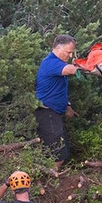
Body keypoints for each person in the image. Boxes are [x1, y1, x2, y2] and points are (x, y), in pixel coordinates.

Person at [35, 34, 79, 170]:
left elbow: (59, 90)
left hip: (55, 113)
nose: (71, 56)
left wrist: (68, 106)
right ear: (59, 48)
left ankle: (52, 176)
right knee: (58, 154)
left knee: (62, 150)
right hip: (47, 113)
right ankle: (49, 179)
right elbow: (72, 70)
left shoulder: (58, 64)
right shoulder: (51, 63)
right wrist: (92, 67)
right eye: (69, 52)